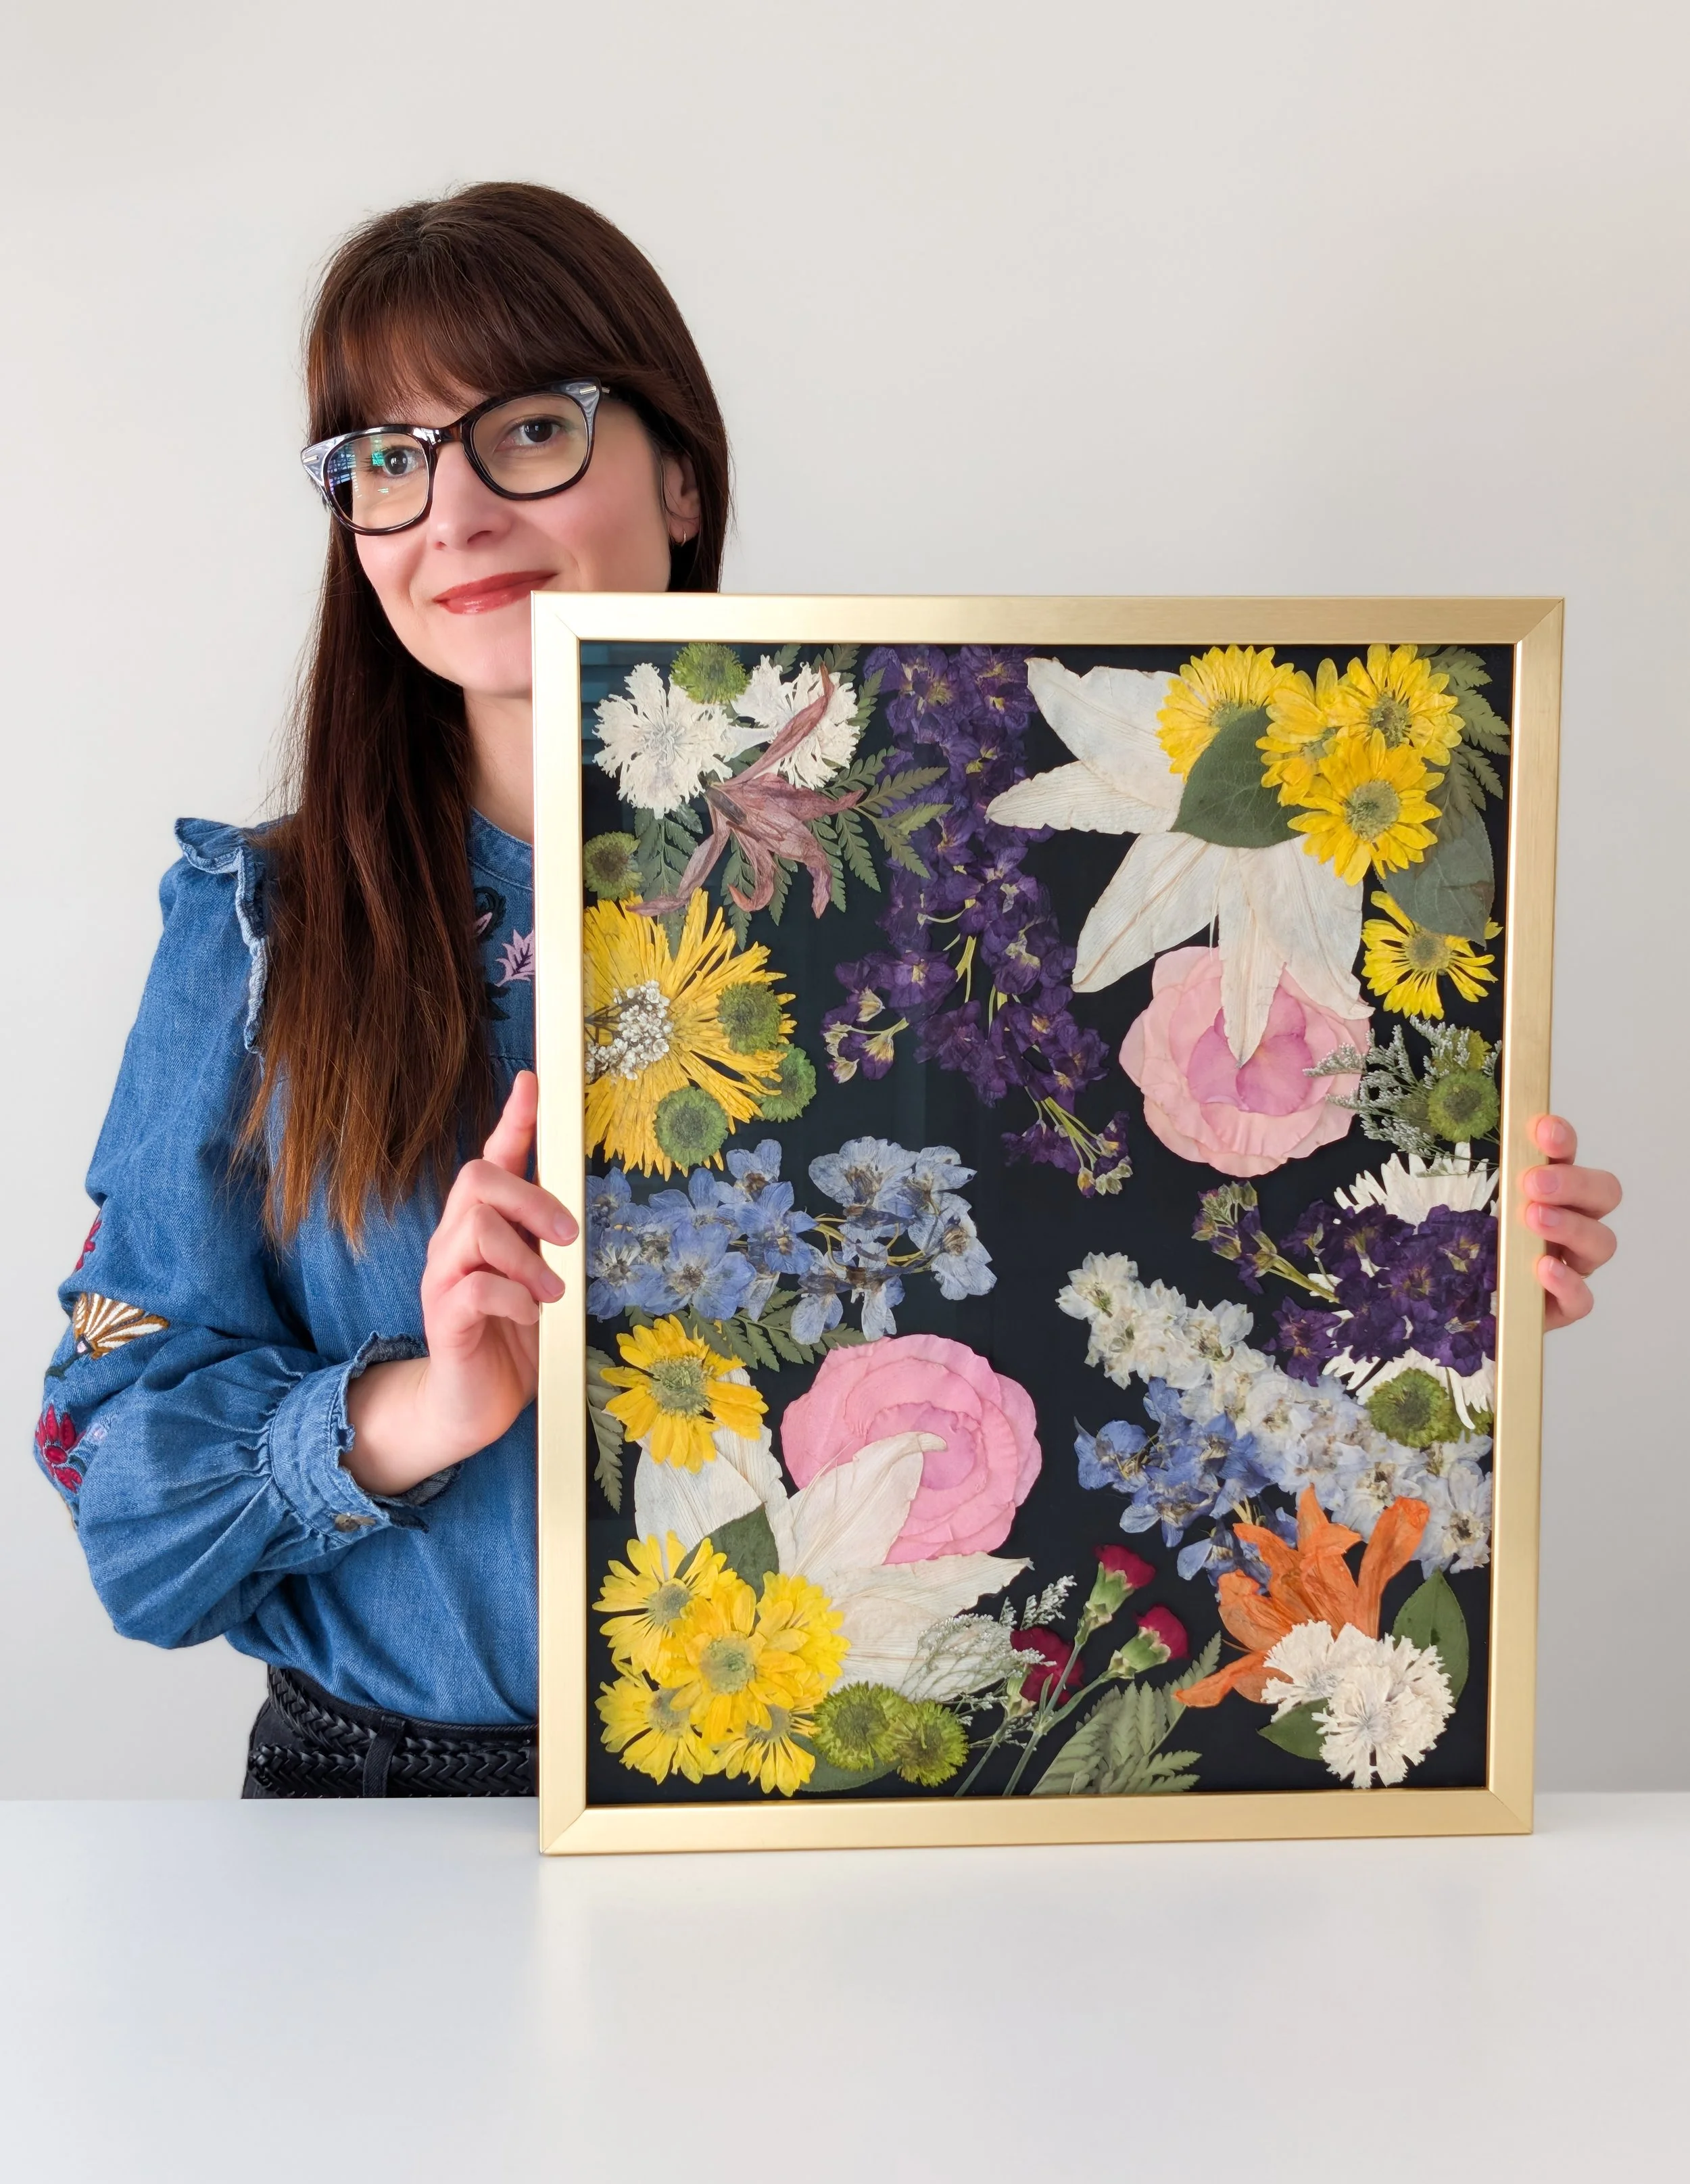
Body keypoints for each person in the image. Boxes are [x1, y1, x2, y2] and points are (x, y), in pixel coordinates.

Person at [31, 182, 1622, 1799]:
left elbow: (1096, 1273)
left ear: (682, 473)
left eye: (527, 431)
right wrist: (421, 1408)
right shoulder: (262, 931)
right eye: (386, 458)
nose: (451, 512)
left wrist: (1436, 1278)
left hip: (843, 1826)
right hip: (385, 1823)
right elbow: (125, 1513)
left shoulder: (948, 890)